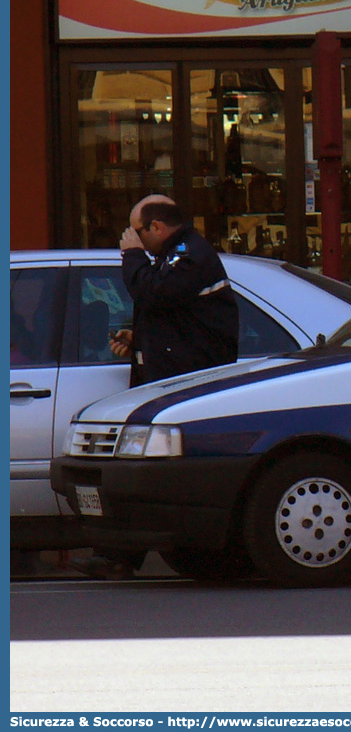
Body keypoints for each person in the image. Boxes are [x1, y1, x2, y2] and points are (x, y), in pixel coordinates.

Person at [71, 194, 240, 580]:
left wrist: (131, 257)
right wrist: (138, 337)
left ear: (157, 228)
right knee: (141, 471)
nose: (132, 238)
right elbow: (173, 313)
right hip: (170, 377)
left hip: (186, 385)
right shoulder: (173, 258)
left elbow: (154, 293)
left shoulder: (189, 255)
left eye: (137, 231)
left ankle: (127, 556)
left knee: (154, 475)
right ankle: (118, 556)